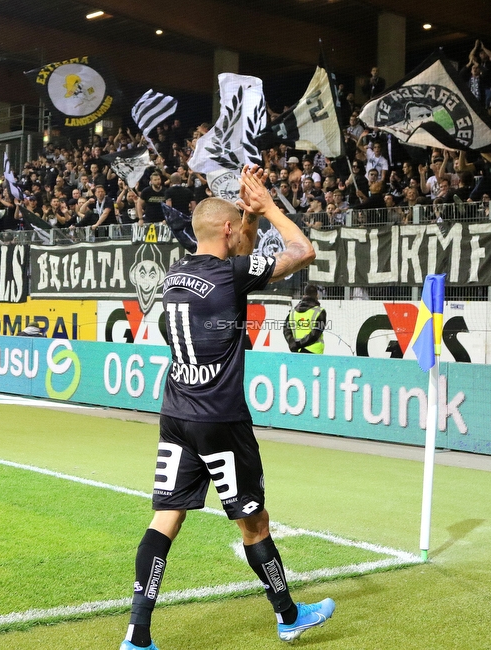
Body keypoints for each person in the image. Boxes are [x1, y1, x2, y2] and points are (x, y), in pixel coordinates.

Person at [119, 166, 334, 650]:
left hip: (177, 415)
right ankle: (288, 616)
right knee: (254, 523)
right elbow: (302, 252)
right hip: (221, 420)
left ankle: (137, 634)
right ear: (227, 230)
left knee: (165, 518)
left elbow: (243, 256)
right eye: (238, 228)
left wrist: (249, 216)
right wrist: (270, 205)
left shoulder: (177, 274)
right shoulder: (230, 274)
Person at [284, 285, 327, 354]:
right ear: (317, 295)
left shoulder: (293, 312)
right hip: (314, 352)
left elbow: (286, 330)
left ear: (304, 295)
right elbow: (315, 334)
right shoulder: (320, 311)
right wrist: (300, 344)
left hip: (297, 352)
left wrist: (293, 343)